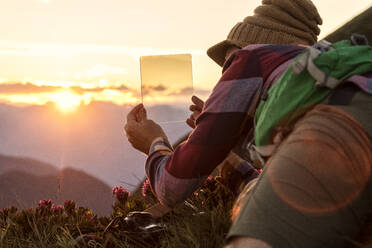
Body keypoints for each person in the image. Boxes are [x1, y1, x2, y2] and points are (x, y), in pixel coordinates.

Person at [125, 0, 372, 247]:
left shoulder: (250, 57)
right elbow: (268, 187)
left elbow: (171, 189)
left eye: (227, 63)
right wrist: (220, 146)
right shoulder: (320, 78)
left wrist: (154, 143)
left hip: (337, 129)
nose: (226, 73)